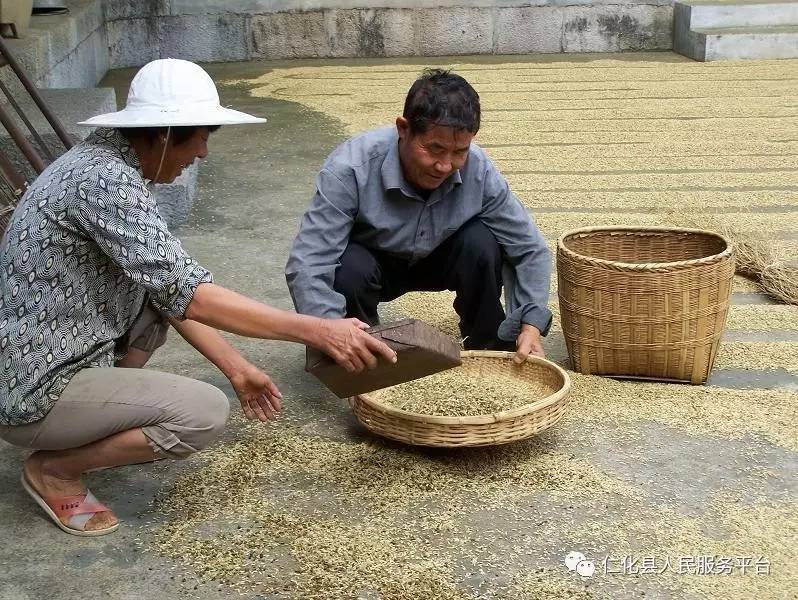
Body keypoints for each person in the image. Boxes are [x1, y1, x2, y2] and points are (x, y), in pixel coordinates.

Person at [0, 59, 395, 537]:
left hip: (55, 349)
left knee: (153, 300)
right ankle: (56, 467)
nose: (204, 152)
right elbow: (193, 295)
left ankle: (99, 418)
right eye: (201, 136)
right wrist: (316, 328)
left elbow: (170, 289)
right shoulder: (103, 182)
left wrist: (238, 368)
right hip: (34, 386)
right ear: (164, 135)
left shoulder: (107, 162)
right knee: (201, 414)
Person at [285, 69, 552, 363]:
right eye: (434, 149)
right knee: (348, 268)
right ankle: (359, 351)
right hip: (374, 263)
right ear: (403, 128)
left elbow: (529, 248)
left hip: (441, 255)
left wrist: (530, 323)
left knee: (483, 242)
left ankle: (487, 344)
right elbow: (309, 262)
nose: (444, 165)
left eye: (459, 151)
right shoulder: (350, 169)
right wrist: (327, 329)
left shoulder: (479, 170)